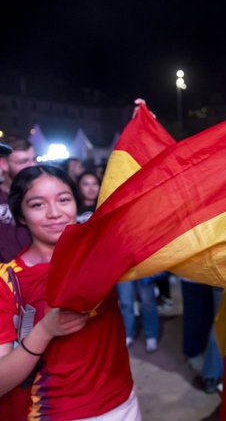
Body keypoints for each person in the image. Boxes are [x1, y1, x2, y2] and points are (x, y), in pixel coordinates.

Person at [0, 165, 140, 419]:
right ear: (21, 216)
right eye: (37, 205)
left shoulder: (101, 252)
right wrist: (44, 331)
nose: (55, 213)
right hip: (56, 413)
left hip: (123, 402)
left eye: (64, 200)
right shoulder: (8, 280)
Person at [0, 136, 37, 262]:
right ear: (4, 164)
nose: (32, 166)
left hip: (38, 275)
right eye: (23, 162)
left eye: (34, 159)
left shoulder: (46, 196)